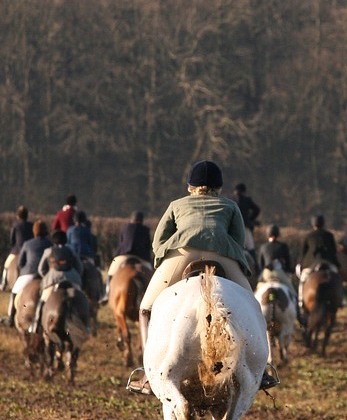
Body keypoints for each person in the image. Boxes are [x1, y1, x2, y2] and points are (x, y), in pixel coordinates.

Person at [129, 159, 276, 395]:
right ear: (219, 187)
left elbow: (158, 241)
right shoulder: (230, 206)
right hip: (222, 252)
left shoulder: (177, 205)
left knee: (145, 309)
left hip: (182, 253)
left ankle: (148, 372)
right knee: (253, 307)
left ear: (190, 185)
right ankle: (260, 371)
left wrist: (164, 258)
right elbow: (238, 240)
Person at [28, 230, 84, 333]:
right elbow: (79, 267)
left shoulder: (49, 251)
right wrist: (75, 276)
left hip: (53, 279)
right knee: (80, 299)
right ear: (66, 240)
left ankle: (35, 324)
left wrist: (47, 276)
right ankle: (86, 324)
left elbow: (41, 269)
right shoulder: (71, 250)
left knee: (42, 299)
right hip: (72, 278)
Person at [6, 221, 53, 327]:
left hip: (28, 274)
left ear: (34, 232)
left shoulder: (27, 244)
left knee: (14, 292)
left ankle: (10, 317)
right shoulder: (50, 244)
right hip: (45, 276)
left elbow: (20, 263)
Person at [105, 211, 154, 302]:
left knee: (110, 273)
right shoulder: (145, 230)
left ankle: (107, 293)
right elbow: (148, 246)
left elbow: (121, 242)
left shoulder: (125, 227)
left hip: (124, 255)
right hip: (141, 257)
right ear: (142, 220)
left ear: (132, 219)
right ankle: (153, 297)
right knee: (152, 276)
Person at [0, 206, 34, 292]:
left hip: (17, 250)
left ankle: (3, 284)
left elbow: (12, 240)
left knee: (7, 265)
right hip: (29, 250)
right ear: (27, 215)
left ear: (18, 216)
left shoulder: (15, 225)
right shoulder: (32, 225)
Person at [230, 183, 261, 251]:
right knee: (251, 247)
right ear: (244, 191)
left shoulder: (230, 200)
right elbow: (257, 210)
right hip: (244, 227)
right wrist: (250, 219)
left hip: (232, 228)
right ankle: (254, 261)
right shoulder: (247, 200)